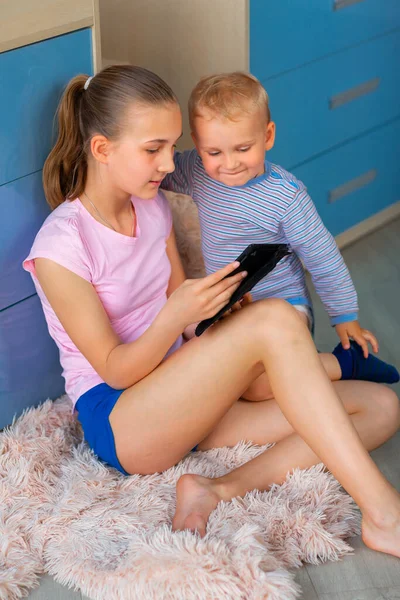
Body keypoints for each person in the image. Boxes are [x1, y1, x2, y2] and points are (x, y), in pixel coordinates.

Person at [23, 66, 400, 558]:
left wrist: (216, 315)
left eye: (172, 146)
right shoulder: (61, 245)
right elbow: (114, 368)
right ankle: (385, 515)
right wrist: (179, 315)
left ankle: (216, 490)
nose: (167, 163)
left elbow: (189, 320)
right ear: (102, 149)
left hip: (182, 395)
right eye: (153, 149)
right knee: (276, 320)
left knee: (378, 408)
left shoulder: (151, 207)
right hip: (124, 420)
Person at [161, 72, 399, 386]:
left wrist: (344, 315)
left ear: (268, 136)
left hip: (285, 305)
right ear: (198, 143)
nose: (229, 163)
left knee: (262, 382)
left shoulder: (286, 196)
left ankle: (344, 363)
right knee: (233, 379)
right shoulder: (195, 170)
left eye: (243, 148)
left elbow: (323, 257)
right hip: (233, 307)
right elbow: (160, 173)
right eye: (214, 152)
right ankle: (314, 373)